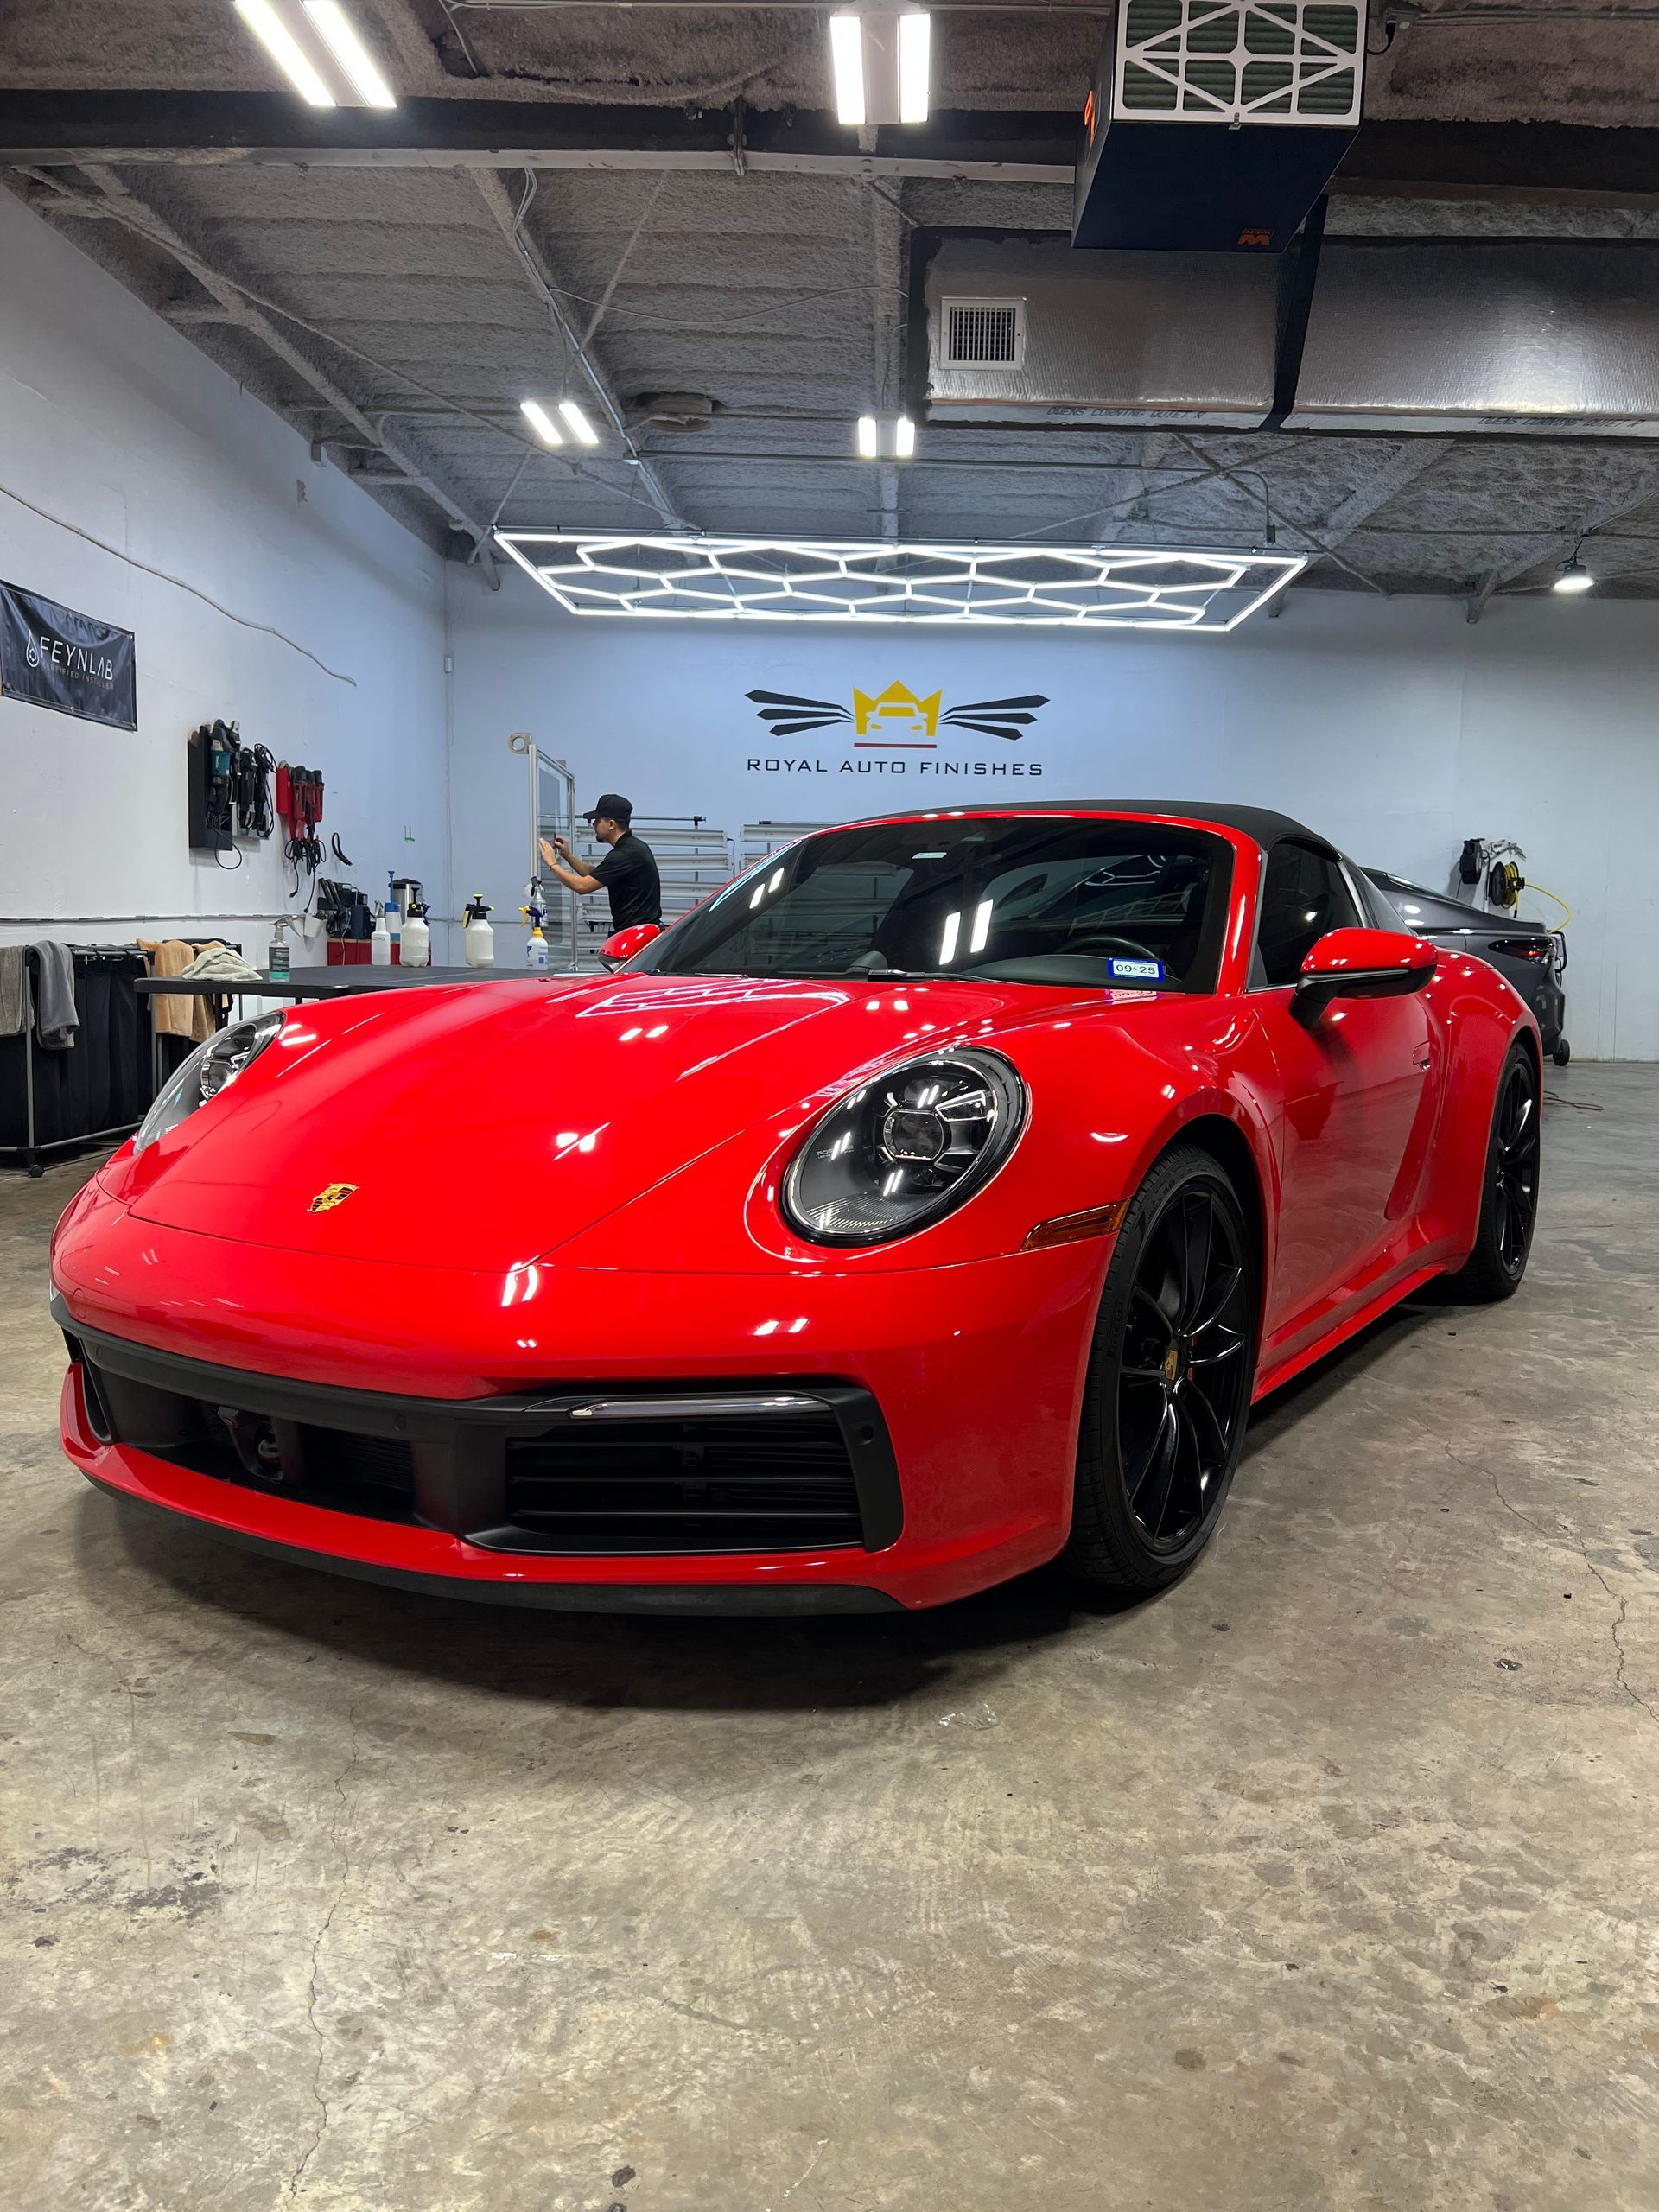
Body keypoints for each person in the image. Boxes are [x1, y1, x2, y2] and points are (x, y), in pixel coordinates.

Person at [539, 793, 663, 933]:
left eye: (597, 820)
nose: (593, 824)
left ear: (611, 825)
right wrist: (567, 856)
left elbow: (582, 886)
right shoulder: (633, 847)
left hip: (635, 934)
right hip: (639, 931)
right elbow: (596, 875)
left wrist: (552, 863)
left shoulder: (624, 854)